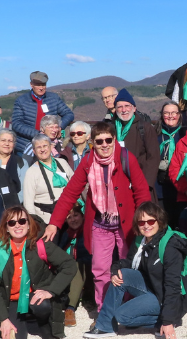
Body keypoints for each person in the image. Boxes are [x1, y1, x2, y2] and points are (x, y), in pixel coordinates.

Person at [41, 122, 153, 311]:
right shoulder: (87, 162)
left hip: (125, 224)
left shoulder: (126, 158)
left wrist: (144, 221)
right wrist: (54, 223)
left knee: (127, 267)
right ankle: (104, 310)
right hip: (100, 223)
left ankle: (127, 305)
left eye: (108, 140)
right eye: (99, 141)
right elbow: (70, 194)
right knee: (100, 270)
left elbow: (141, 191)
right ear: (92, 142)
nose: (104, 145)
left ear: (114, 140)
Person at [84, 201, 187, 339]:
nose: (146, 225)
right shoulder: (142, 240)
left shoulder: (170, 246)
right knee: (122, 274)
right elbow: (130, 263)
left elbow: (172, 285)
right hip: (153, 287)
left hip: (171, 295)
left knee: (122, 316)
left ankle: (169, 319)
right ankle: (105, 326)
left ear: (159, 221)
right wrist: (115, 269)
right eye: (141, 222)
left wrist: (168, 321)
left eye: (151, 221)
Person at [0, 206, 77, 339]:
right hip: (11, 300)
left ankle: (44, 323)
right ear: (6, 227)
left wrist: (51, 291)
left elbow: (69, 265)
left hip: (35, 295)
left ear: (29, 224)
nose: (17, 225)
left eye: (22, 221)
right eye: (12, 222)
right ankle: (20, 320)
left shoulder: (41, 244)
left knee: (42, 306)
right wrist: (3, 320)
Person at [105, 88, 161, 197]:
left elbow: (153, 157)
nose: (124, 110)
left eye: (127, 106)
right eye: (120, 107)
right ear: (115, 110)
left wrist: (146, 184)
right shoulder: (110, 129)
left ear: (134, 108)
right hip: (117, 183)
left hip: (141, 183)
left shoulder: (145, 128)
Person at [11, 71, 75, 154]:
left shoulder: (53, 98)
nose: (41, 88)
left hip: (50, 146)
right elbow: (16, 124)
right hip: (26, 146)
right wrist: (38, 134)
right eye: (38, 85)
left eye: (43, 85)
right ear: (31, 85)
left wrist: (59, 127)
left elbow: (68, 114)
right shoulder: (21, 101)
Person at [55, 203, 95, 327]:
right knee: (76, 267)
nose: (73, 219)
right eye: (69, 217)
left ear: (83, 216)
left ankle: (93, 303)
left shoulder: (90, 230)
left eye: (76, 215)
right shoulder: (66, 233)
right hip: (75, 269)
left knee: (82, 265)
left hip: (91, 266)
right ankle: (70, 308)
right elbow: (59, 250)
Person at [23, 134, 74, 225]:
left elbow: (74, 184)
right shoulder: (31, 172)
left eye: (45, 146)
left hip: (69, 216)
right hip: (46, 219)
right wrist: (34, 222)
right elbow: (28, 202)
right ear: (34, 151)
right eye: (39, 147)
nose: (42, 150)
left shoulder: (62, 163)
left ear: (51, 147)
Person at [157, 101, 185, 226]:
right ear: (162, 115)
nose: (170, 116)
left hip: (180, 187)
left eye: (174, 113)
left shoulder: (185, 134)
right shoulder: (154, 134)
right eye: (166, 113)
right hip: (160, 187)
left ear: (179, 115)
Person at [0, 128, 31, 203]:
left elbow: (25, 188)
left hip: (15, 205)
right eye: (3, 140)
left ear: (14, 144)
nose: (7, 144)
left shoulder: (21, 163)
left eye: (10, 141)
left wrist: (13, 205)